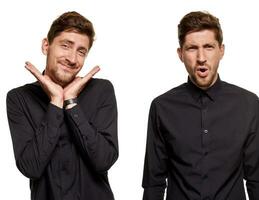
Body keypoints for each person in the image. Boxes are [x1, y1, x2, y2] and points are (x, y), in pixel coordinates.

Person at [142, 11, 259, 200]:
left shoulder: (249, 104)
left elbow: (256, 179)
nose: (201, 57)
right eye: (192, 48)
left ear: (221, 50)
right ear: (180, 54)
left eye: (209, 47)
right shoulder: (161, 107)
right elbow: (153, 183)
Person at [6, 11, 118, 200]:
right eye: (66, 46)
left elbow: (103, 160)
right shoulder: (19, 98)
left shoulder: (102, 90)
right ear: (46, 45)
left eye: (81, 51)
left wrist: (72, 103)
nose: (72, 59)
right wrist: (56, 103)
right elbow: (30, 167)